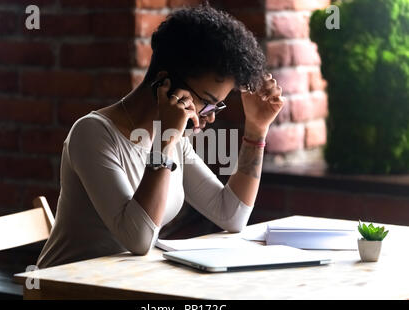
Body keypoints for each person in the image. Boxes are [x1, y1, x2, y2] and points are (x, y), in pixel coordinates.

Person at [36, 3, 284, 268]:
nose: (210, 116)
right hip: (64, 287)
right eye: (208, 103)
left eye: (217, 106)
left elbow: (231, 215)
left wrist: (257, 130)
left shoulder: (174, 139)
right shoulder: (92, 133)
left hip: (123, 285)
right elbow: (138, 239)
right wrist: (165, 142)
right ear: (164, 83)